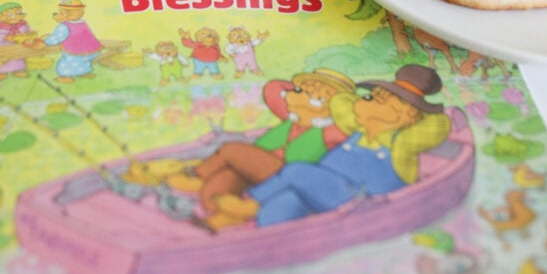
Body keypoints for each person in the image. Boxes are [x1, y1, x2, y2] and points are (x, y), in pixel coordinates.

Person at [214, 65, 451, 228]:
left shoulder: (401, 144)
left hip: (360, 202)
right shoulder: (357, 132)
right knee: (279, 207)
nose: (361, 102)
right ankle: (249, 226)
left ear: (405, 114)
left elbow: (438, 125)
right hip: (324, 194)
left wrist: (418, 110)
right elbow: (340, 102)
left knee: (298, 171)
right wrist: (371, 105)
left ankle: (250, 204)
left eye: (374, 100)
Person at [169, 68, 354, 227]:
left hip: (283, 174)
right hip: (254, 170)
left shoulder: (329, 130)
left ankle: (197, 174)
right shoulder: (290, 119)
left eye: (304, 92)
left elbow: (351, 129)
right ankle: (221, 219)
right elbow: (273, 89)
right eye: (297, 89)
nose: (291, 93)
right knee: (219, 185)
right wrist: (306, 88)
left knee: (230, 149)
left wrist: (341, 104)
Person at [42, 0, 102, 83]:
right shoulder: (82, 23)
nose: (59, 14)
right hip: (93, 50)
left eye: (62, 13)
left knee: (66, 63)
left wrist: (46, 40)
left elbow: (56, 38)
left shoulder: (64, 26)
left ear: (68, 14)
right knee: (83, 61)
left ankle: (66, 76)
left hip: (75, 51)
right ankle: (84, 72)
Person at [0, 2, 34, 78]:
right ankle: (2, 73)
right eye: (11, 15)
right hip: (3, 48)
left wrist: (28, 35)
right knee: (3, 60)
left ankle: (18, 70)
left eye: (19, 13)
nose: (17, 16)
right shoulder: (0, 26)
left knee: (18, 58)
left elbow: (26, 32)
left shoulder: (22, 24)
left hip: (17, 47)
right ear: (2, 17)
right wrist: (4, 37)